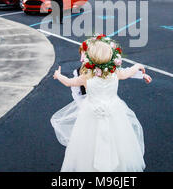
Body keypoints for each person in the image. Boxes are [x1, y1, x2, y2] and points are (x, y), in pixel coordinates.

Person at [51, 35, 148, 172]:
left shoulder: (86, 77)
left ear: (90, 58)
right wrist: (139, 65)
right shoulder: (115, 74)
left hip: (90, 113)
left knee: (90, 142)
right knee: (118, 140)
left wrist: (58, 75)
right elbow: (129, 71)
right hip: (114, 111)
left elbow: (68, 82)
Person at [70, 44, 152, 105]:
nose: (82, 58)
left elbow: (121, 72)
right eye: (81, 54)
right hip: (89, 108)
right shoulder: (78, 72)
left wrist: (141, 75)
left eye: (85, 54)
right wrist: (83, 106)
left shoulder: (105, 69)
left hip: (107, 105)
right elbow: (75, 92)